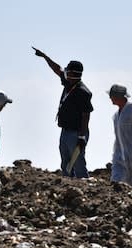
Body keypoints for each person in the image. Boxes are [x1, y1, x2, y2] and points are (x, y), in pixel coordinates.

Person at [33, 47, 93, 178]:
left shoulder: (83, 92)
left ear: (72, 74)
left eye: (68, 71)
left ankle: (85, 186)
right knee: (66, 162)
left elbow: (86, 115)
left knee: (77, 162)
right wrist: (45, 57)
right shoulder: (68, 83)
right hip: (65, 131)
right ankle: (68, 186)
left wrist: (82, 137)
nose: (65, 72)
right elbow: (57, 69)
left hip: (77, 133)